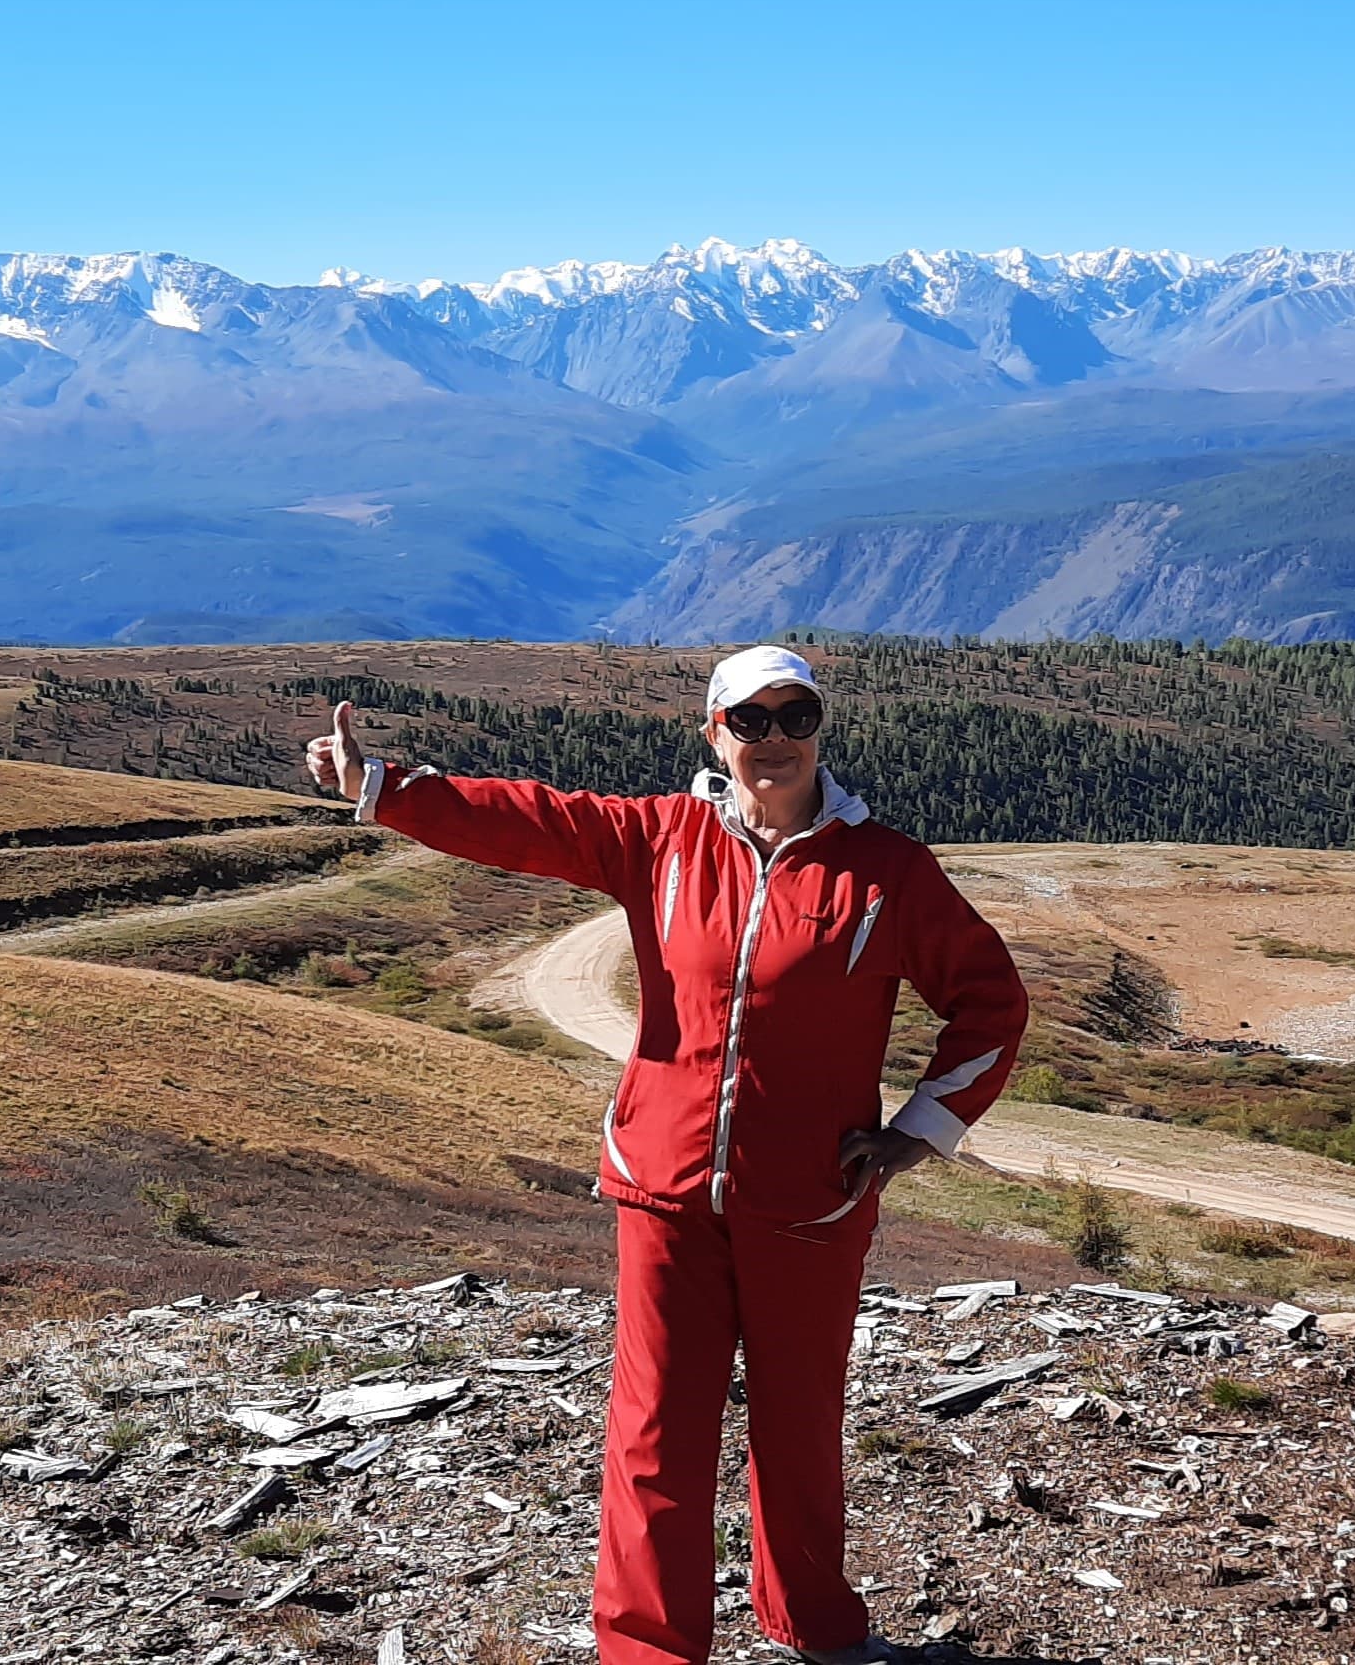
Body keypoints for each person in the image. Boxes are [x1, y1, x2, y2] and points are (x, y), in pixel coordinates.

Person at [305, 643, 1028, 1665]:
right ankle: (649, 1651)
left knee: (800, 1429)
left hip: (811, 1205)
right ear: (714, 734)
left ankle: (814, 1627)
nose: (774, 738)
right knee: (654, 1439)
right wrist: (382, 788)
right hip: (663, 1190)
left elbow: (991, 1005)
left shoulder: (889, 872)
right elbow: (527, 820)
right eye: (750, 720)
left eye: (795, 715)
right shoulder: (663, 839)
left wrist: (919, 1132)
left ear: (821, 727)